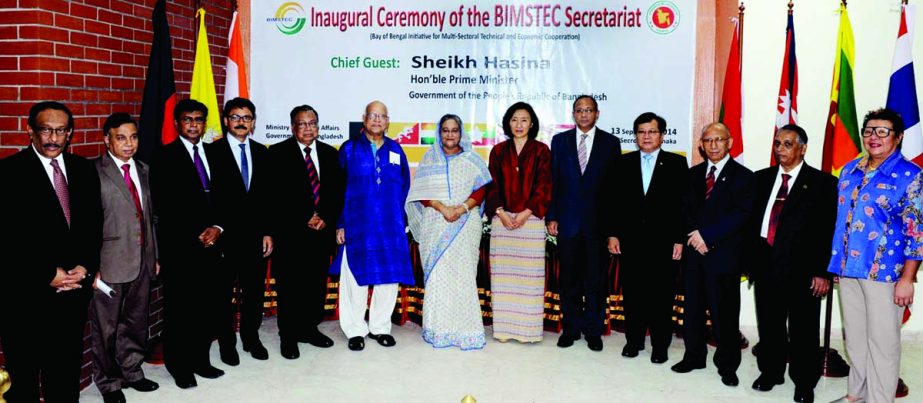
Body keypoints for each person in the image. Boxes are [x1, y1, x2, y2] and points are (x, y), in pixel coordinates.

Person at [0, 101, 102, 402]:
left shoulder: (83, 169)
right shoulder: (9, 172)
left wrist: (85, 266)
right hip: (24, 295)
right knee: (25, 377)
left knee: (65, 371)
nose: (53, 138)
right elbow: (7, 238)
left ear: (70, 133)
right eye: (46, 130)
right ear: (30, 131)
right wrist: (47, 274)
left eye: (60, 131)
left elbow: (93, 225)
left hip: (71, 293)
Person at [828, 108, 921, 403]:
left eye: (883, 131)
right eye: (869, 130)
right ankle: (856, 394)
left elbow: (917, 232)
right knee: (855, 340)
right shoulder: (849, 171)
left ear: (898, 137)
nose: (874, 137)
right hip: (848, 269)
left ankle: (880, 400)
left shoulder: (910, 176)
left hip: (885, 273)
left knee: (883, 343)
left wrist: (908, 279)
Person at [746, 124, 837, 403]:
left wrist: (823, 273)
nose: (780, 150)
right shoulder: (761, 179)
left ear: (803, 148)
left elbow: (827, 232)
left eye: (787, 144)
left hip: (803, 271)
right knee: (770, 325)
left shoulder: (822, 183)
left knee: (804, 330)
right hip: (765, 266)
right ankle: (771, 372)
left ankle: (804, 382)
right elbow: (751, 223)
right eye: (777, 144)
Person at [150, 99, 225, 389]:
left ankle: (200, 360)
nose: (193, 124)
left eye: (198, 119)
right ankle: (179, 365)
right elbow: (165, 206)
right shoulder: (163, 157)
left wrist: (218, 227)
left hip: (213, 243)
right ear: (177, 123)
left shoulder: (215, 154)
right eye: (187, 120)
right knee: (180, 309)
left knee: (207, 306)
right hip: (181, 246)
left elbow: (225, 197)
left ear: (204, 123)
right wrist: (198, 231)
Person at [672, 122, 753, 388]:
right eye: (708, 140)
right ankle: (694, 356)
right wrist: (694, 235)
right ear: (701, 145)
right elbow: (683, 210)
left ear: (729, 142)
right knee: (692, 310)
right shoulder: (693, 174)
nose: (714, 145)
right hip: (695, 255)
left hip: (724, 256)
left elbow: (741, 215)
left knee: (725, 315)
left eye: (719, 139)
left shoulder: (744, 176)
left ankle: (728, 366)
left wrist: (707, 236)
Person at [604, 112, 688, 364]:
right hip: (631, 241)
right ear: (635, 136)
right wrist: (612, 234)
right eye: (641, 132)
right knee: (634, 294)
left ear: (662, 135)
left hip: (664, 243)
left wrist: (678, 239)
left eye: (652, 131)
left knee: (662, 296)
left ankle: (660, 346)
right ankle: (634, 341)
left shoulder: (676, 163)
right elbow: (612, 203)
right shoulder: (622, 163)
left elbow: (682, 206)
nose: (647, 136)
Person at [331, 100, 414, 351]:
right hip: (357, 225)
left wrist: (401, 222)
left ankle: (380, 327)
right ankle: (355, 329)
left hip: (389, 226)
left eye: (382, 116)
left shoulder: (396, 150)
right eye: (372, 115)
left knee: (388, 279)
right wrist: (340, 223)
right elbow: (337, 190)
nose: (377, 120)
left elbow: (404, 187)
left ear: (388, 122)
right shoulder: (348, 149)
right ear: (364, 119)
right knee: (355, 277)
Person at [90, 113, 160, 403]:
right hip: (109, 264)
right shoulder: (93, 171)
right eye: (121, 137)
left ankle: (132, 371)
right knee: (105, 328)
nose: (129, 144)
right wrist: (91, 267)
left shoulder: (143, 169)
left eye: (133, 137)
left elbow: (149, 218)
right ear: (107, 139)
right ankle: (108, 383)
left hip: (142, 261)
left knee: (135, 321)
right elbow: (86, 225)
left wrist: (154, 255)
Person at [406, 114, 491, 350]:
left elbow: (482, 191)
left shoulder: (473, 160)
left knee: (463, 275)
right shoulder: (429, 160)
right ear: (439, 133)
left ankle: (468, 330)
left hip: (465, 224)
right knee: (438, 276)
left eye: (454, 130)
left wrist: (462, 208)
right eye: (445, 130)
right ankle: (438, 329)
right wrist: (443, 208)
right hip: (436, 221)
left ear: (461, 133)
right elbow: (421, 194)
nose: (450, 134)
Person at [547, 95, 621, 351]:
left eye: (589, 110)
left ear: (597, 114)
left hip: (597, 226)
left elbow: (614, 192)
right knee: (568, 279)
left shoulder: (611, 143)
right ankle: (571, 329)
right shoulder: (560, 141)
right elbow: (553, 182)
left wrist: (612, 231)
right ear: (573, 114)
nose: (584, 114)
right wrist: (552, 216)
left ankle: (593, 331)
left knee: (595, 281)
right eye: (579, 110)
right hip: (567, 222)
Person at [270, 105, 343, 359]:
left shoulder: (329, 153)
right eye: (302, 123)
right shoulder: (277, 154)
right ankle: (288, 337)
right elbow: (276, 196)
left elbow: (336, 193)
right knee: (290, 287)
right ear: (292, 127)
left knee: (314, 285)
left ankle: (309, 329)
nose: (308, 128)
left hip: (321, 233)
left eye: (313, 123)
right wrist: (305, 216)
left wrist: (325, 218)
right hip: (291, 233)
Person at [207, 97, 274, 364]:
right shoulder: (211, 153)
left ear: (253, 123)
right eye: (235, 117)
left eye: (246, 118)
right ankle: (227, 343)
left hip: (255, 238)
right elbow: (209, 199)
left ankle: (251, 337)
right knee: (222, 295)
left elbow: (270, 198)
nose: (241, 122)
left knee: (254, 292)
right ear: (226, 121)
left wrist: (268, 231)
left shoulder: (263, 153)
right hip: (224, 238)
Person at [485, 102, 552, 343]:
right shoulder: (498, 151)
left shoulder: (542, 150)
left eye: (524, 120)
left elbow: (545, 186)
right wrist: (501, 213)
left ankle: (528, 331)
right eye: (514, 119)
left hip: (531, 222)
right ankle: (504, 330)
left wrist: (525, 213)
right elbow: (491, 185)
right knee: (505, 279)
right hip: (502, 223)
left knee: (528, 279)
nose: (519, 124)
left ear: (532, 123)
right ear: (508, 123)